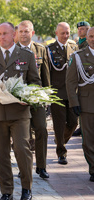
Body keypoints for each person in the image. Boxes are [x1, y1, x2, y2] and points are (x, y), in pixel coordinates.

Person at [0, 22, 41, 200]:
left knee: (22, 149)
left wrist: (26, 97)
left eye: (5, 33)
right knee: (1, 154)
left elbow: (35, 82)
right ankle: (7, 192)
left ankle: (26, 189)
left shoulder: (27, 55)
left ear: (14, 35)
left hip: (19, 113)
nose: (1, 37)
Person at [17, 20, 50, 179]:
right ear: (17, 33)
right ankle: (23, 167)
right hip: (18, 101)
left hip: (37, 100)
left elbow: (46, 76)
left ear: (32, 32)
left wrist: (47, 98)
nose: (23, 34)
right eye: (21, 31)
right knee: (23, 135)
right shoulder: (13, 51)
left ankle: (41, 166)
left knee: (42, 129)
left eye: (26, 31)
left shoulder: (41, 50)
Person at [46, 22, 78, 165]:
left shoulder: (74, 48)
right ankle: (61, 152)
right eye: (62, 33)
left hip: (71, 92)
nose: (65, 36)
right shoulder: (50, 49)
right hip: (57, 92)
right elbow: (47, 72)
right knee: (58, 124)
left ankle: (60, 140)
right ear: (56, 33)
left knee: (73, 123)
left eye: (67, 33)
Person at [66, 27, 94, 182]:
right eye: (90, 36)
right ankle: (93, 168)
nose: (93, 39)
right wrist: (74, 102)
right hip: (87, 103)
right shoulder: (78, 56)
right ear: (86, 37)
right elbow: (70, 82)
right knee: (89, 139)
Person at [72, 21, 91, 137]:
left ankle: (82, 127)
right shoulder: (77, 43)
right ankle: (80, 126)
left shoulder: (87, 43)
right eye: (79, 29)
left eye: (82, 29)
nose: (80, 31)